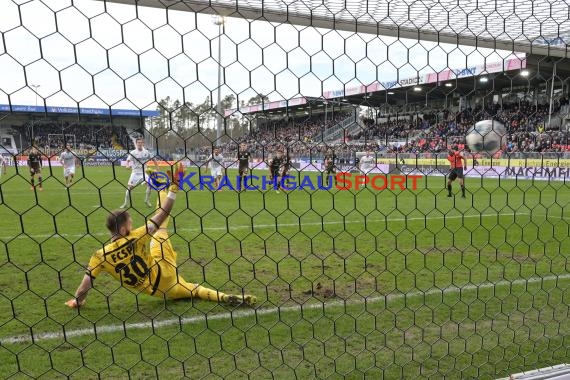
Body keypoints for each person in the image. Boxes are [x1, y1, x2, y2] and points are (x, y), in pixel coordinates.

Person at [65, 164, 257, 308]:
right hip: (163, 265)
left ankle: (224, 297)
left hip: (162, 291)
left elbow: (84, 287)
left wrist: (77, 301)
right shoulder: (136, 237)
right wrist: (174, 190)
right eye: (130, 224)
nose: (132, 226)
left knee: (195, 290)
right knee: (160, 228)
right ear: (123, 230)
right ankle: (162, 188)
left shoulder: (100, 256)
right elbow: (162, 214)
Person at [120, 138, 158, 208]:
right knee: (129, 188)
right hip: (135, 173)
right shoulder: (133, 152)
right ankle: (125, 203)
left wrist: (156, 168)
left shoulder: (146, 152)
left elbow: (154, 159)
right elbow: (128, 161)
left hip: (145, 173)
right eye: (138, 143)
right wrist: (127, 166)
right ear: (136, 144)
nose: (140, 144)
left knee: (150, 185)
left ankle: (146, 200)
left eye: (141, 143)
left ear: (143, 143)